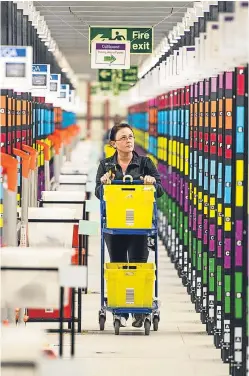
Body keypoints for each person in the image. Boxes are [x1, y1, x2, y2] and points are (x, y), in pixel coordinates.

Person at [95, 123, 164, 328]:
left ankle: (139, 310)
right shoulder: (106, 165)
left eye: (131, 137)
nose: (129, 141)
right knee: (118, 264)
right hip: (115, 225)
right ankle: (121, 311)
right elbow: (98, 193)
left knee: (138, 264)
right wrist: (103, 183)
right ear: (114, 143)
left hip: (140, 225)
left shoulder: (145, 163)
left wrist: (152, 181)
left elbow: (159, 190)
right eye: (123, 137)